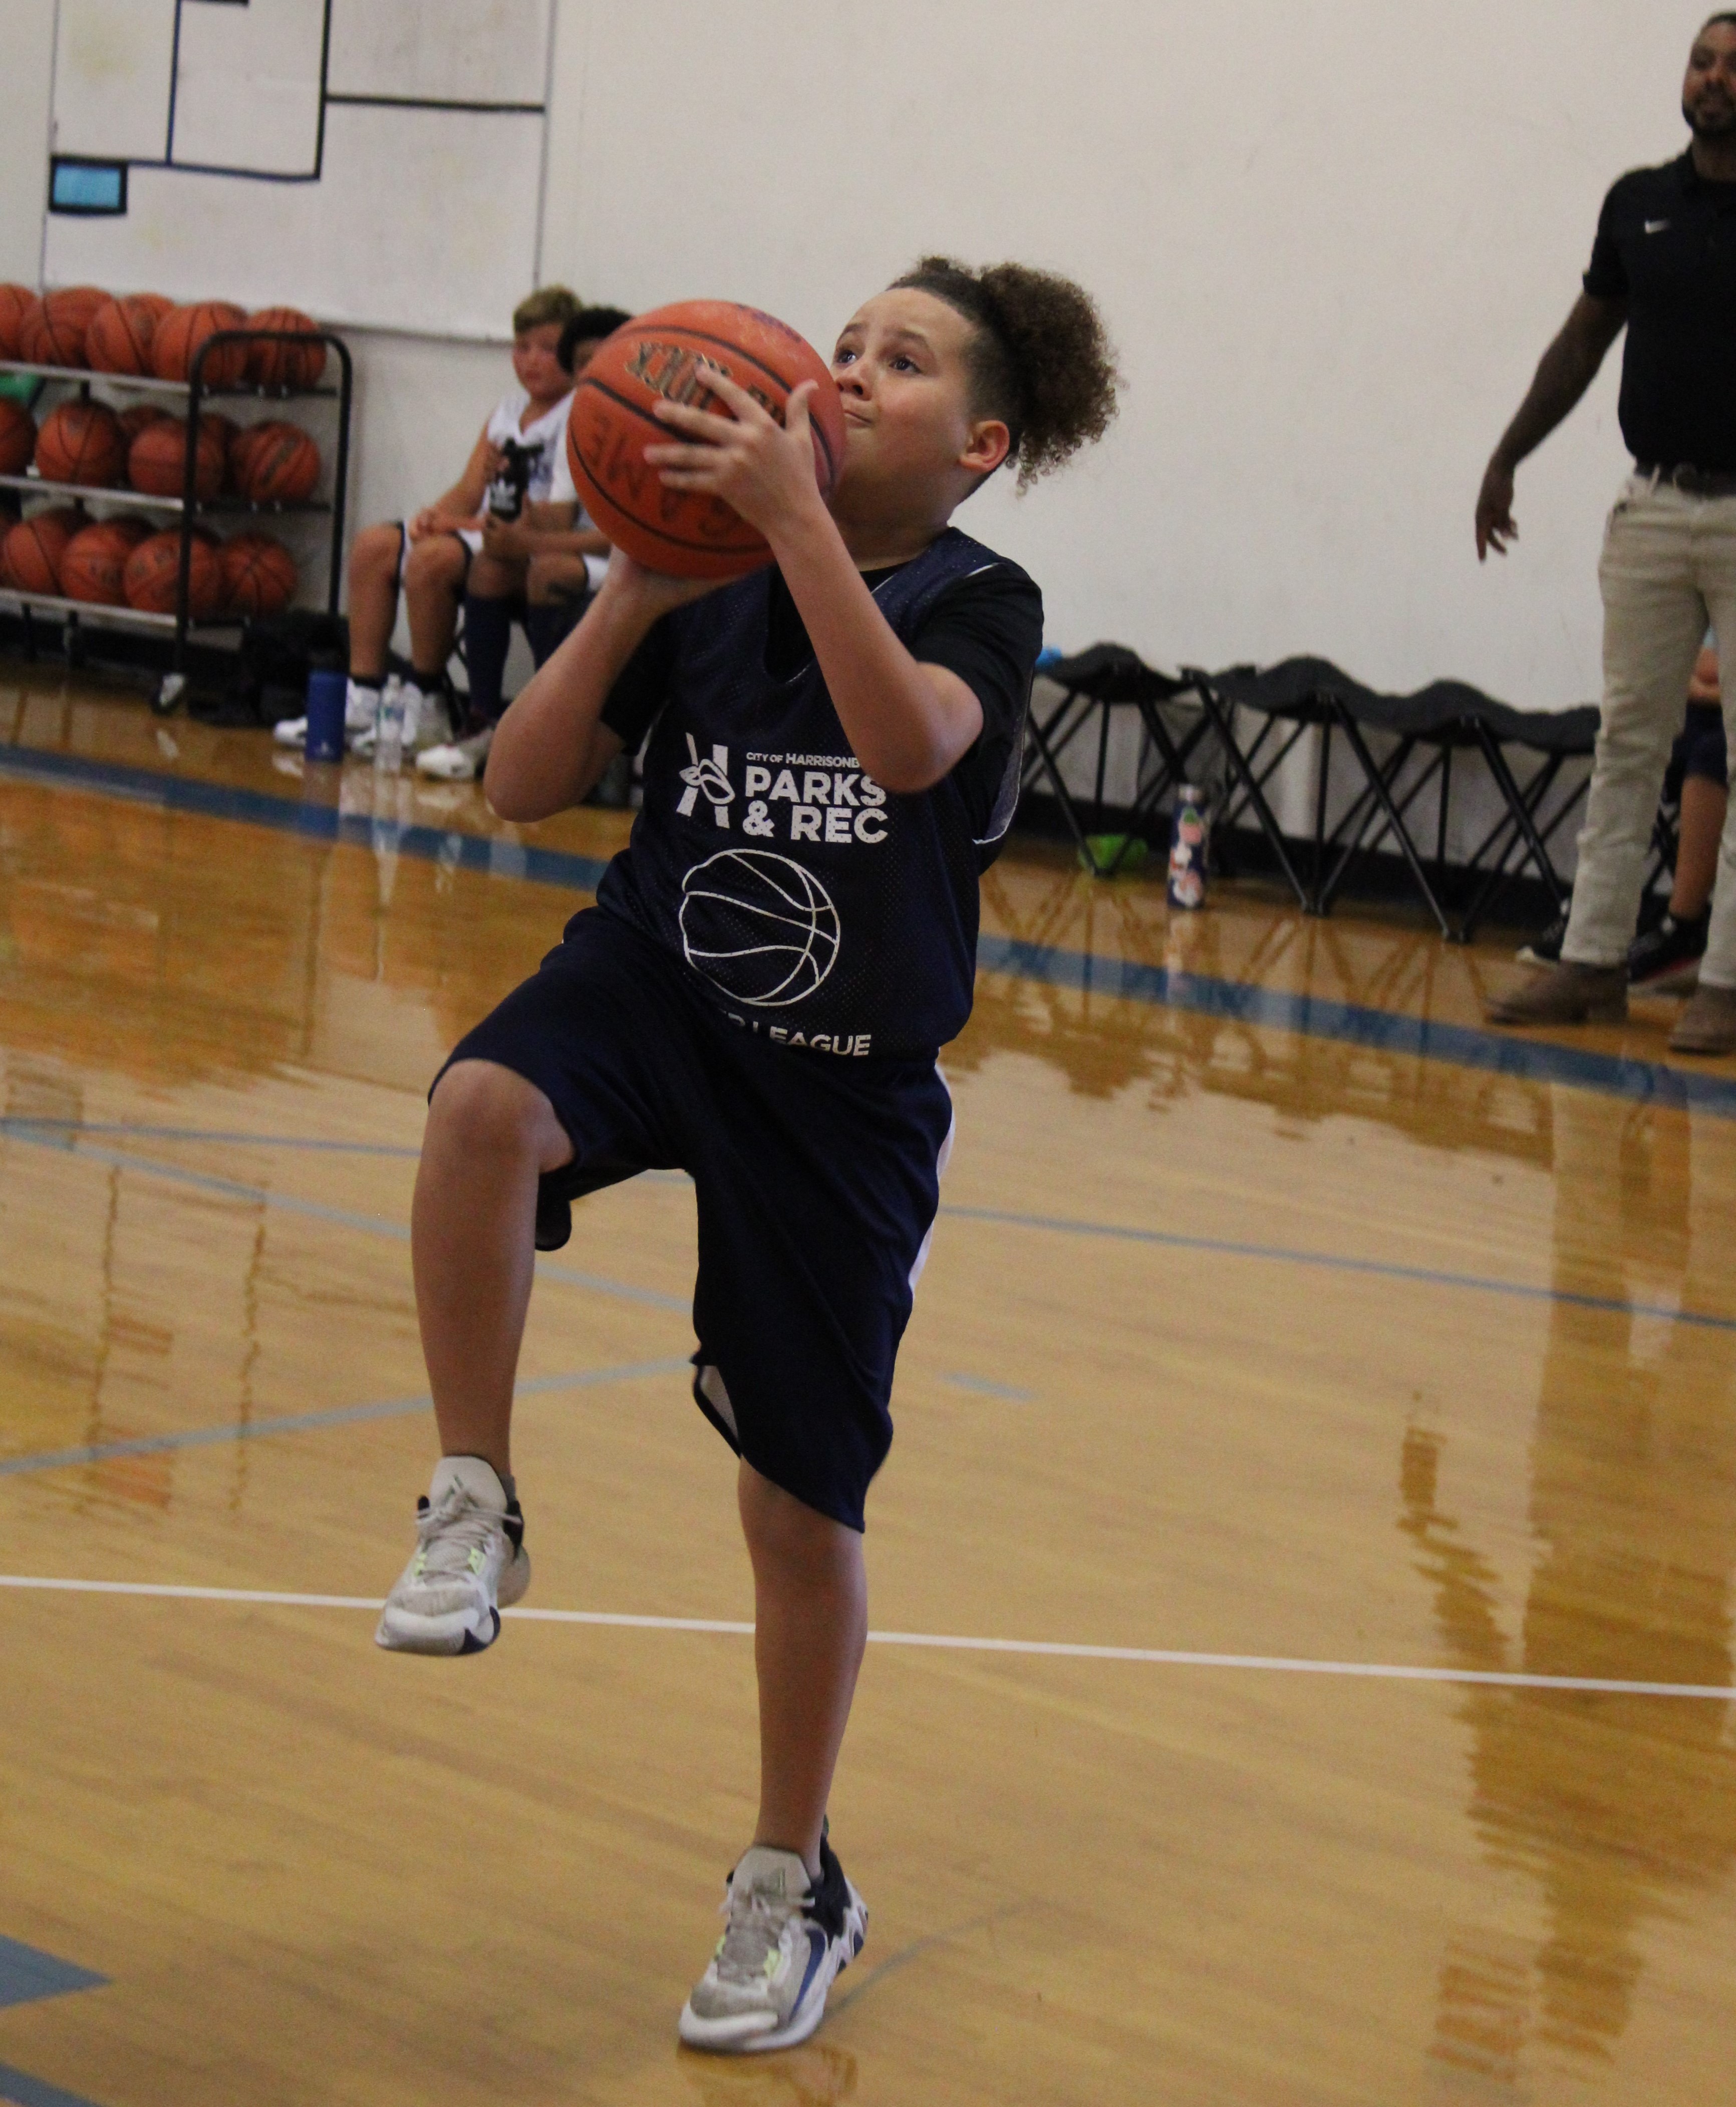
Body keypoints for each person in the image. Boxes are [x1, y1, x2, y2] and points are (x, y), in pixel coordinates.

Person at [371, 257, 1117, 2052]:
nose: (854, 373)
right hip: (663, 979)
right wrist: (633, 588)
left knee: (797, 1507)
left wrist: (789, 534)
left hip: (841, 1087)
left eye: (905, 364)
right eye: (845, 344)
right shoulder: (698, 585)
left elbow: (903, 742)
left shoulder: (977, 598)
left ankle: (795, 1877)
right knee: (479, 1105)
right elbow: (520, 787)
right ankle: (475, 1496)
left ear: (980, 445)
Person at [1478, 15, 1736, 1055]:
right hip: (1650, 508)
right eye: (1701, 63)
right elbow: (1583, 340)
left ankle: (1722, 978)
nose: (1713, 81)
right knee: (1625, 742)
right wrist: (1505, 455)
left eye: (1731, 69)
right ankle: (1588, 962)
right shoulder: (1637, 202)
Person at [272, 285, 581, 758]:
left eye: (547, 349)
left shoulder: (577, 414)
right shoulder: (509, 410)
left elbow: (559, 517)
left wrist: (478, 524)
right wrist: (434, 516)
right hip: (488, 531)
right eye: (523, 347)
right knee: (376, 544)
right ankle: (364, 695)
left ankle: (429, 699)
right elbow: (469, 490)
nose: (532, 360)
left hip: (530, 546)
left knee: (433, 561)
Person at [415, 304, 633, 782]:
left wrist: (528, 539)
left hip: (643, 567)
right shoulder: (580, 423)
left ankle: (561, 731)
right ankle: (485, 723)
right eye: (582, 366)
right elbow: (554, 519)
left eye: (603, 360)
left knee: (546, 568)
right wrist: (509, 486)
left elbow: (623, 538)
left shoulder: (645, 425)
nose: (591, 375)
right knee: (494, 565)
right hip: (597, 560)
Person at [1518, 641, 1726, 990]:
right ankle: (1595, 914)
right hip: (1706, 707)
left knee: (1713, 757)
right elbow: (1694, 662)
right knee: (1636, 739)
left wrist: (1706, 681)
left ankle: (1684, 925)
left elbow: (1708, 671)